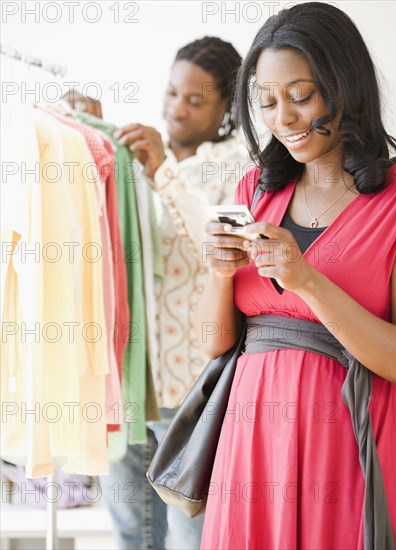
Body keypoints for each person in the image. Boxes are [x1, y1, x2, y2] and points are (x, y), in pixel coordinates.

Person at [195, 3, 396, 549]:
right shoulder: (256, 191)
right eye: (267, 103)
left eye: (300, 97)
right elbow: (215, 345)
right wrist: (220, 274)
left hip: (349, 441)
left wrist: (308, 281)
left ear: (345, 87)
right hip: (250, 445)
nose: (283, 119)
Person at [100, 37, 247, 549]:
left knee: (193, 540)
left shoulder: (238, 165)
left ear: (226, 106)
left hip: (195, 396)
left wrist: (162, 170)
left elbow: (214, 240)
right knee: (131, 537)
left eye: (194, 99)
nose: (174, 109)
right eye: (171, 93)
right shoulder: (135, 159)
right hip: (132, 387)